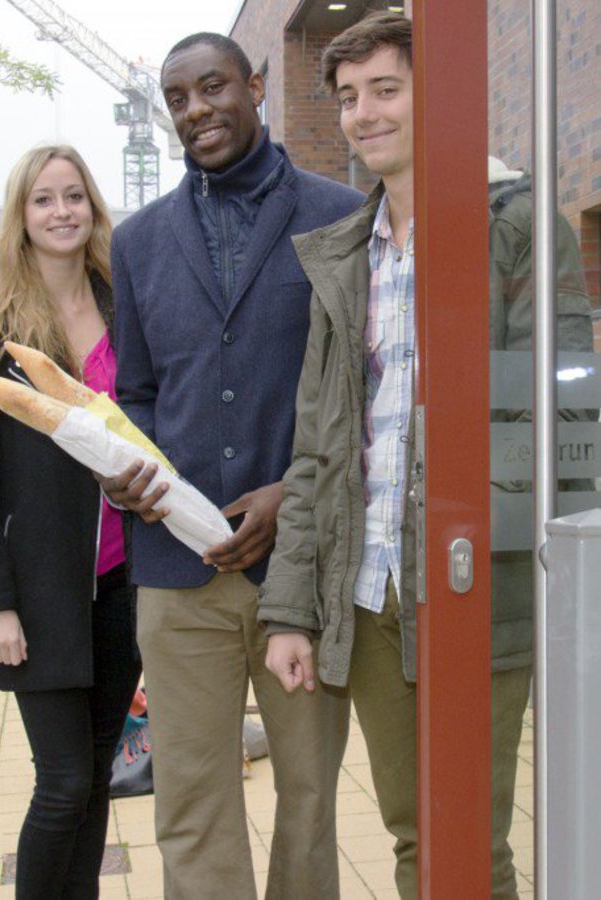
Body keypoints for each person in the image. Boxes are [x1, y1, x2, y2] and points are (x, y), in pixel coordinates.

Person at [260, 13, 594, 900]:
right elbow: (316, 451)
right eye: (347, 97)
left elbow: (561, 426)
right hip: (368, 596)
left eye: (385, 89)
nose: (363, 113)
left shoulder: (520, 225)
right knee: (414, 835)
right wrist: (291, 610)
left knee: (473, 849)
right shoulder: (343, 255)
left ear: (436, 94)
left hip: (468, 586)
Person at [97, 32, 362, 900]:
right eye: (177, 99)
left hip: (307, 564)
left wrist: (294, 491)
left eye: (213, 87)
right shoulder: (136, 243)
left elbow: (372, 384)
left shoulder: (339, 215)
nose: (197, 109)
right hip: (178, 572)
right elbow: (135, 389)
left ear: (255, 86)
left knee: (312, 794)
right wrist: (125, 465)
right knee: (191, 799)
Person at [0, 144, 142, 899]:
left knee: (96, 775)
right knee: (60, 783)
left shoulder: (128, 306)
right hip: (39, 590)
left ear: (92, 207)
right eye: (44, 199)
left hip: (126, 579)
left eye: (74, 196)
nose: (62, 212)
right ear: (20, 216)